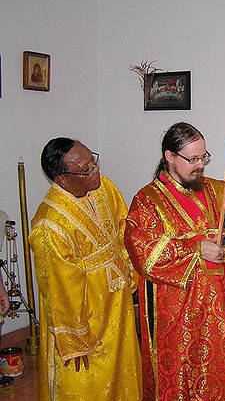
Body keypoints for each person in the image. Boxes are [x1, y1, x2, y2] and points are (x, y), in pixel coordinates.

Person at [124, 122, 225, 401]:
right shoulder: (148, 201)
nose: (200, 165)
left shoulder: (219, 191)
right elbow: (144, 253)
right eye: (193, 159)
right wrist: (196, 248)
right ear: (170, 157)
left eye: (204, 157)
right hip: (181, 312)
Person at [28, 138, 141, 400]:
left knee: (122, 370)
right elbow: (60, 288)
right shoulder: (49, 225)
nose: (96, 171)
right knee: (86, 382)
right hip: (86, 312)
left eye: (94, 161)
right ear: (62, 179)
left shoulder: (105, 187)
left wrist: (129, 274)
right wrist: (74, 340)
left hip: (117, 302)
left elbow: (124, 229)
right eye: (87, 169)